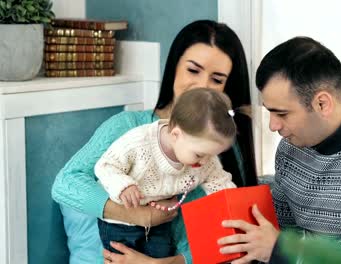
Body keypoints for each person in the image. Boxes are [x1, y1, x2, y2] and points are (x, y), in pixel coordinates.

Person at [51, 19, 258, 264]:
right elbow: (65, 184)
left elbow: (228, 237)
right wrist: (137, 215)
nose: (202, 86)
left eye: (217, 79)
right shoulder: (128, 128)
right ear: (173, 67)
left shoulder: (215, 148)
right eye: (193, 70)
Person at [217, 36, 341, 263]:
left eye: (281, 114)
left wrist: (283, 251)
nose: (273, 126)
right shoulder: (290, 150)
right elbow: (280, 228)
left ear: (322, 103)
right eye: (269, 112)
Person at [96, 88, 238, 258]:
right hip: (119, 223)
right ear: (176, 135)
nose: (205, 162)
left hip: (160, 222)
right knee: (121, 259)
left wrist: (232, 206)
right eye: (200, 154)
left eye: (213, 154)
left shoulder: (204, 159)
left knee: (161, 255)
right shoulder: (138, 143)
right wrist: (123, 186)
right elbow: (105, 165)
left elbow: (220, 183)